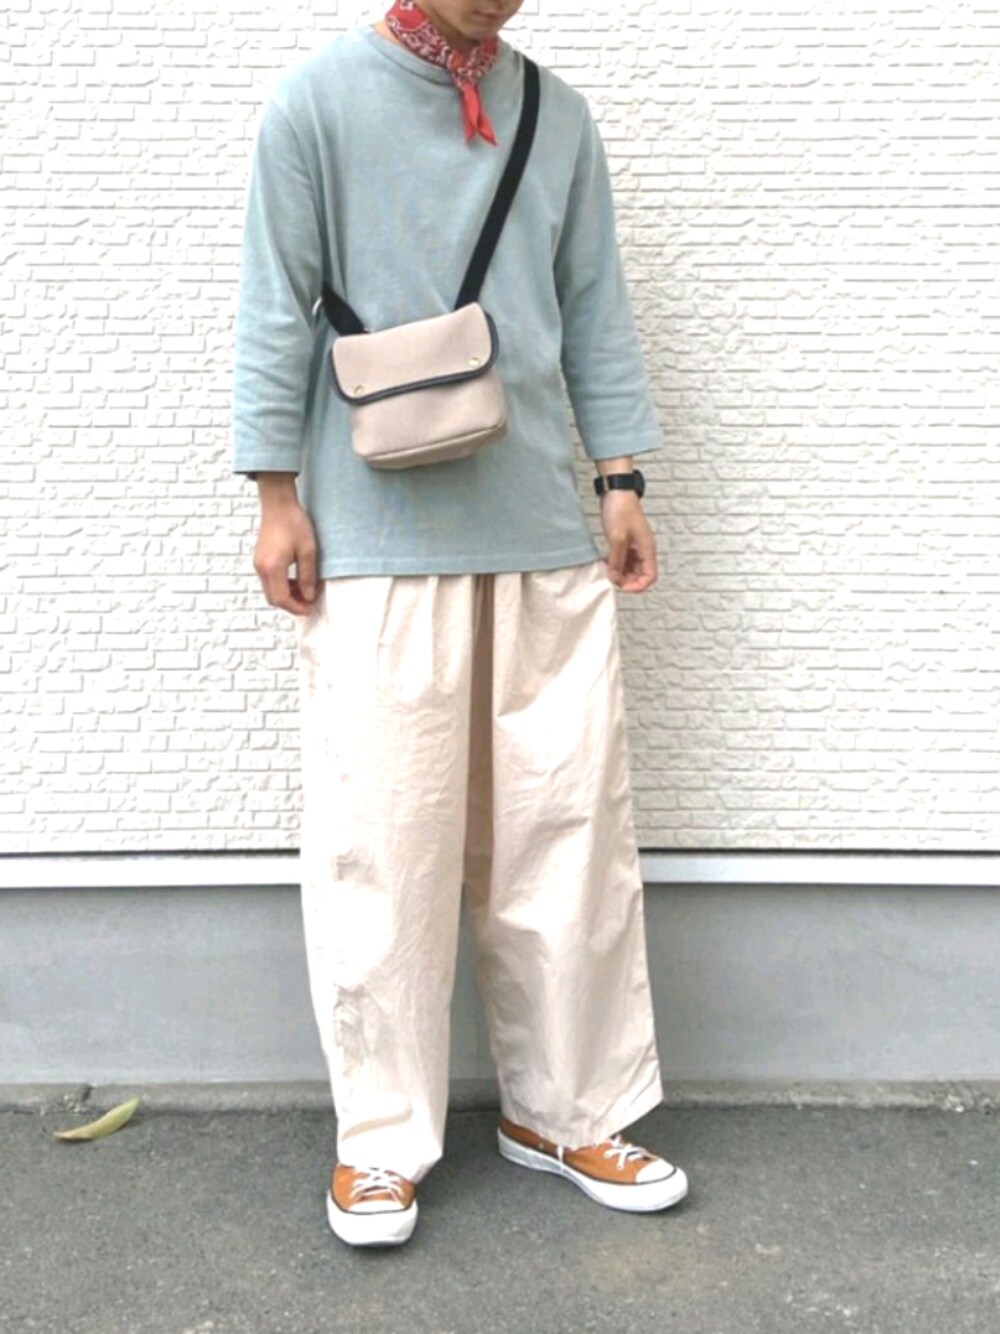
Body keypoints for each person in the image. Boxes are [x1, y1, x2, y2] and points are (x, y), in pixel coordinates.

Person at [231, 0, 689, 1248]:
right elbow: (275, 301)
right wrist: (274, 493)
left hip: (541, 523)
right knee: (384, 848)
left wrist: (621, 476)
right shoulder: (315, 103)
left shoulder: (556, 114)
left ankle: (569, 1108)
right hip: (375, 539)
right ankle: (379, 1139)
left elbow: (591, 302)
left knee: (565, 832)